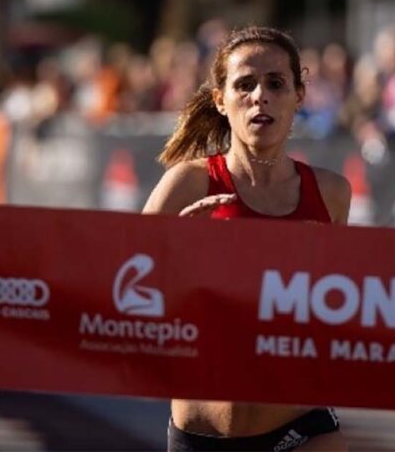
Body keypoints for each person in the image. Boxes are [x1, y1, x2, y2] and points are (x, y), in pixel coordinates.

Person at [143, 26, 350, 451]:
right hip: (204, 433)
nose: (260, 96)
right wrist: (177, 257)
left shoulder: (331, 193)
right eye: (245, 85)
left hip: (300, 424)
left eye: (276, 83)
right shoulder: (187, 184)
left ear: (299, 96)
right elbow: (119, 295)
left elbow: (338, 310)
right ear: (220, 99)